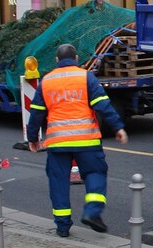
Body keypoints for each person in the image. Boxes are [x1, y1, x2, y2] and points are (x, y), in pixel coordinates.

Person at [27, 43, 128, 237]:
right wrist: (118, 127)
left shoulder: (47, 81)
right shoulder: (86, 77)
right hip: (86, 140)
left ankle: (63, 227)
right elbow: (103, 105)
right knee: (95, 173)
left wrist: (33, 138)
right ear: (76, 59)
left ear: (57, 60)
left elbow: (36, 113)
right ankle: (92, 211)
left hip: (57, 143)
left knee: (58, 182)